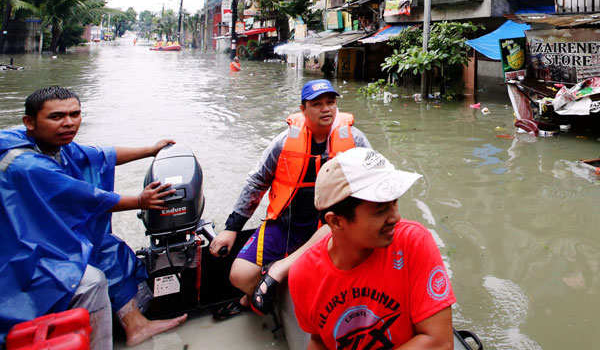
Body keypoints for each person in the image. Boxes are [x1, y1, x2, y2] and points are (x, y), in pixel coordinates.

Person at [0, 87, 187, 348]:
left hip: (38, 229)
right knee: (91, 280)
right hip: (18, 250)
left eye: (74, 114)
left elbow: (99, 156)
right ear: (29, 122)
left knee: (105, 245)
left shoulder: (47, 142)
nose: (68, 123)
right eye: (56, 117)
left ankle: (136, 326)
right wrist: (140, 201)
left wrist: (150, 150)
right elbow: (88, 198)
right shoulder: (28, 165)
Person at [209, 79, 371, 315]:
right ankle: (266, 290)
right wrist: (232, 228)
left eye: (331, 102)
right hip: (286, 224)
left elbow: (374, 182)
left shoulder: (355, 141)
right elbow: (256, 182)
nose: (326, 109)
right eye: (317, 104)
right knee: (239, 275)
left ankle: (271, 284)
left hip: (331, 229)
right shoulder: (283, 143)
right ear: (303, 109)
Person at [288, 147, 455, 350]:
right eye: (381, 210)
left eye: (394, 203)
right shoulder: (303, 275)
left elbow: (439, 342)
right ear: (336, 222)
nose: (396, 218)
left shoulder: (412, 242)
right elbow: (319, 341)